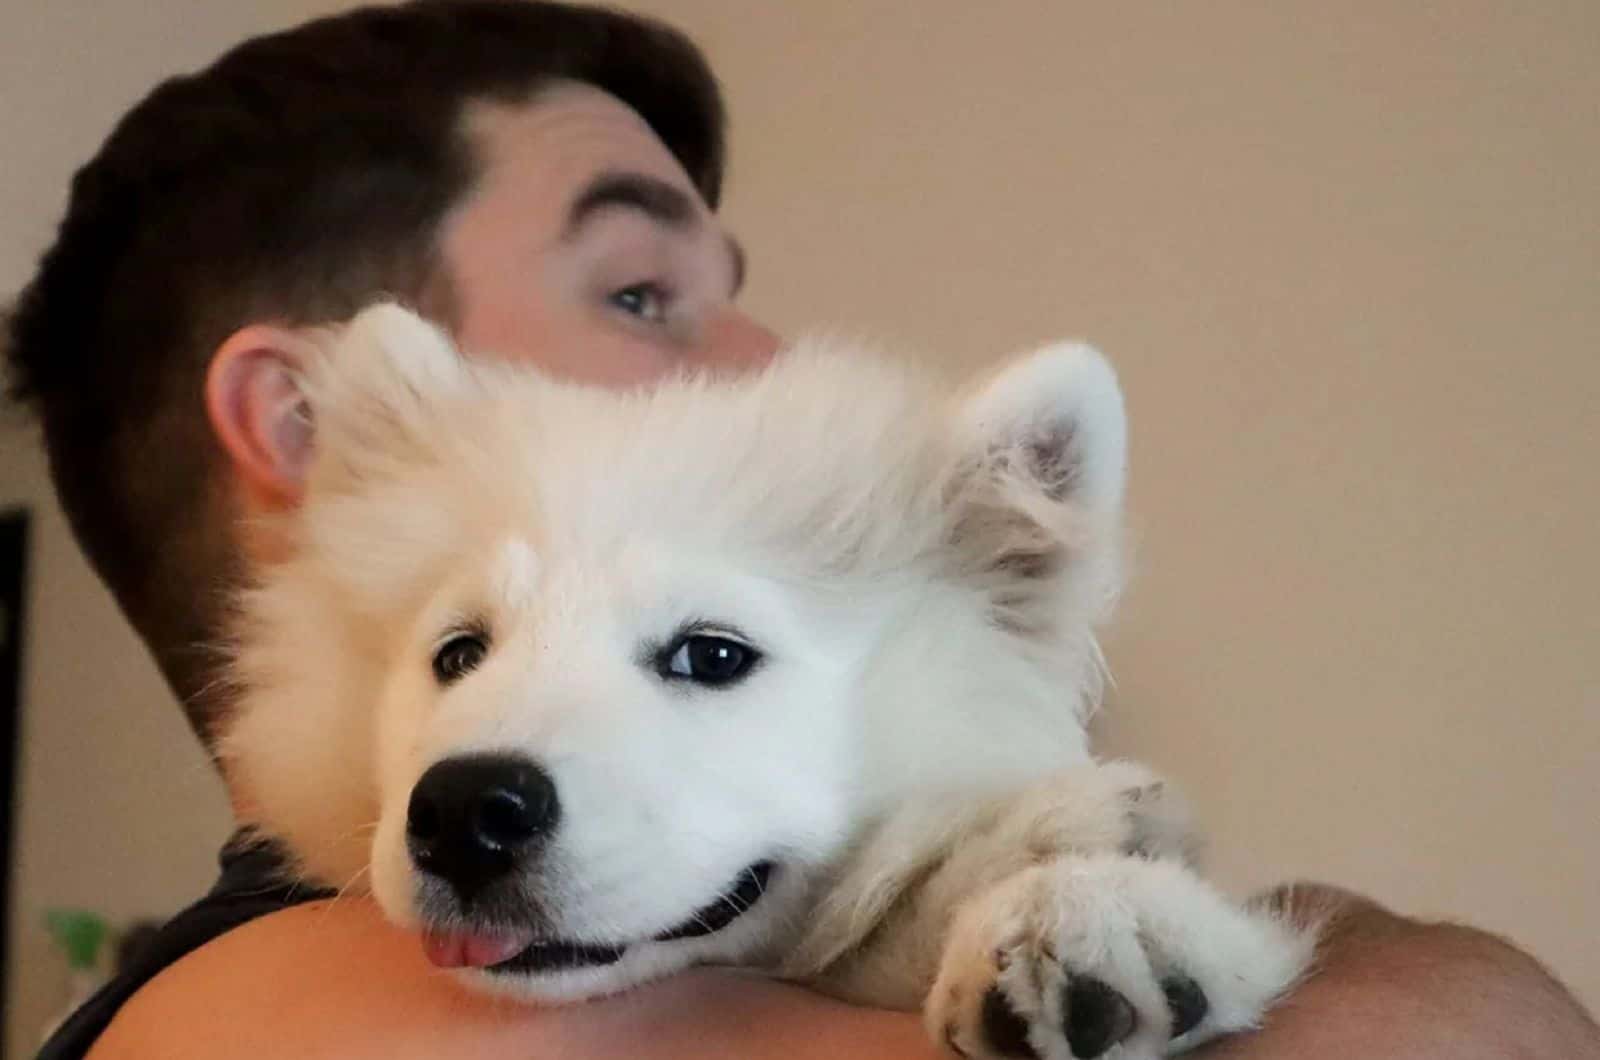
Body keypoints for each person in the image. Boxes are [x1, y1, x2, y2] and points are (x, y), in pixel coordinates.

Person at [6, 3, 1595, 1058]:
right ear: (309, 433)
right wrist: (1376, 961)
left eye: (704, 650)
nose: (757, 361)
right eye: (642, 296)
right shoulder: (284, 1015)